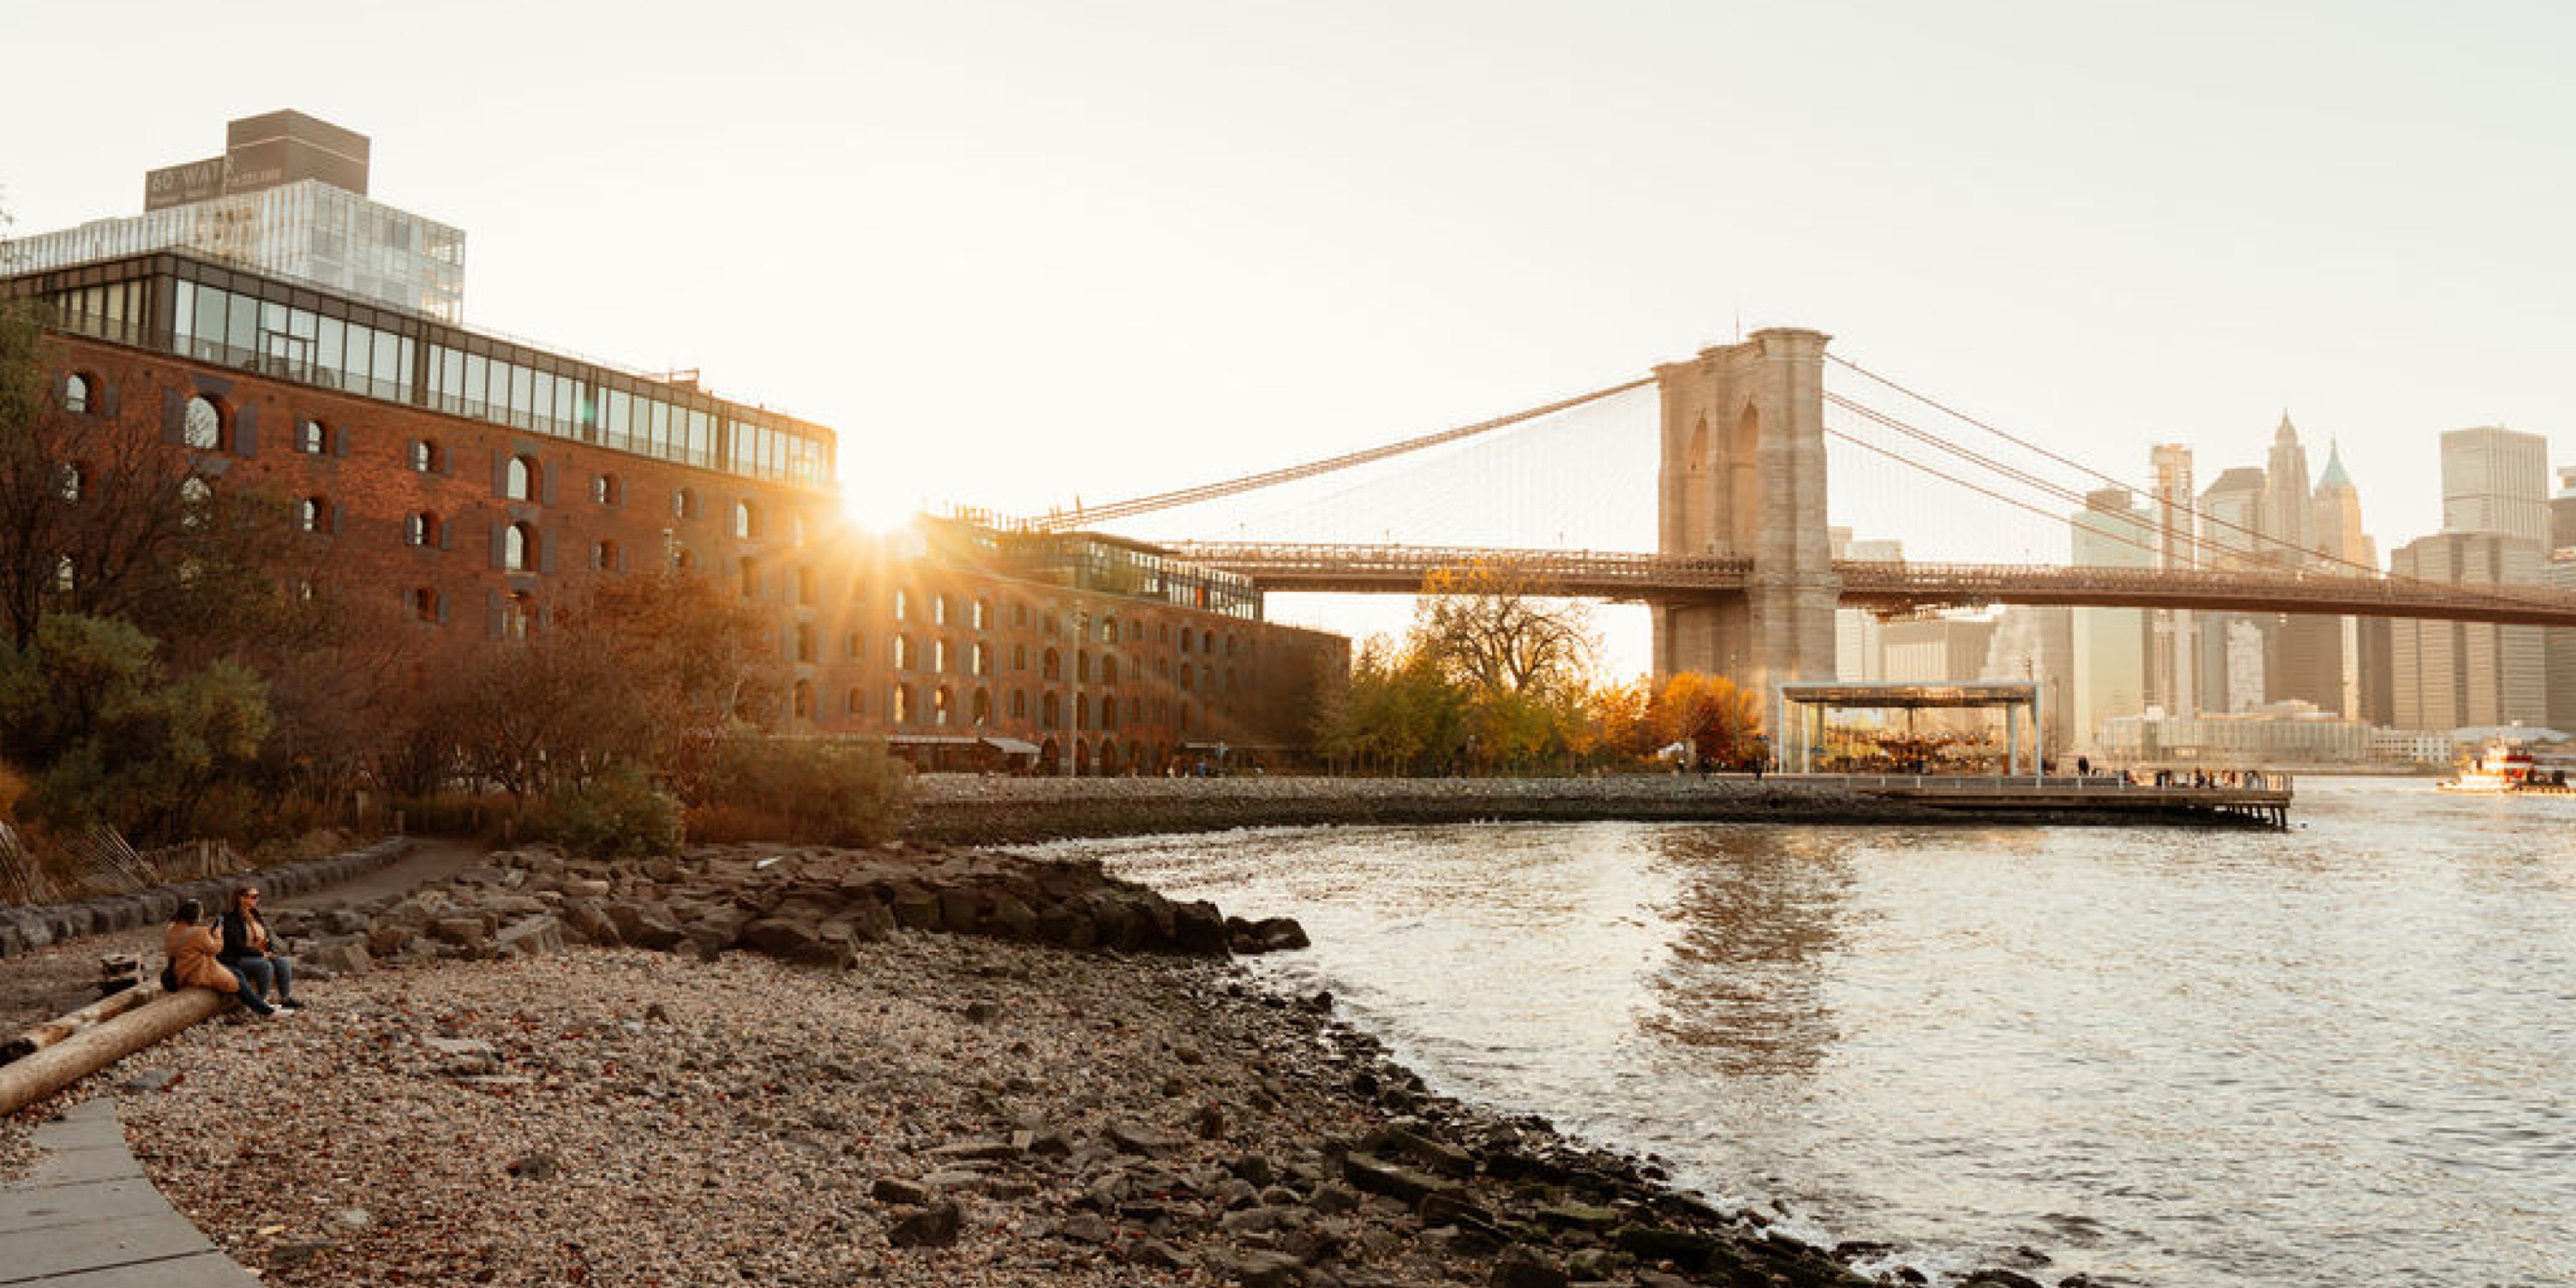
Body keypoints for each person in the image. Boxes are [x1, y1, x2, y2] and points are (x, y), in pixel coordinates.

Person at [166, 899, 275, 1018]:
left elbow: (192, 947)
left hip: (179, 971)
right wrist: (218, 936)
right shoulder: (197, 933)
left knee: (237, 973)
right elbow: (215, 949)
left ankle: (257, 1005)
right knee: (236, 981)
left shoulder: (171, 930)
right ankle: (266, 1010)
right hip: (197, 972)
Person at [218, 885, 301, 1011]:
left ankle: (285, 998)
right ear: (241, 898)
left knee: (282, 963)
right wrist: (261, 954)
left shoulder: (255, 914)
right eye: (254, 897)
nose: (257, 900)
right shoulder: (231, 918)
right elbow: (236, 946)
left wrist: (269, 951)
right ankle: (261, 1002)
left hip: (257, 953)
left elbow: (265, 936)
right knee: (264, 965)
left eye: (257, 896)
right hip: (237, 958)